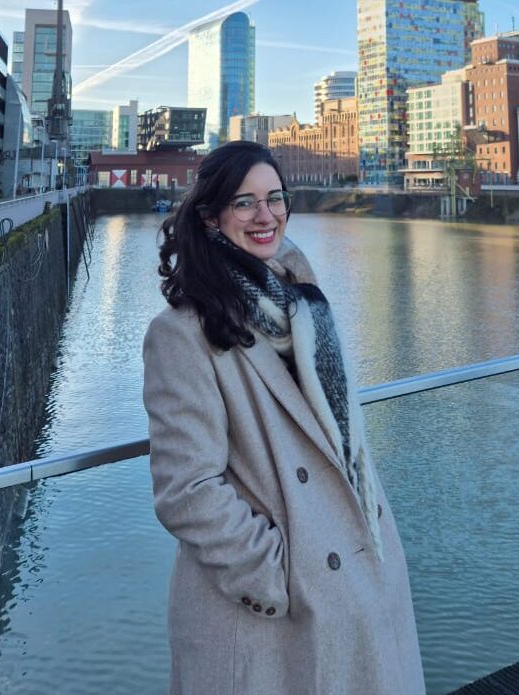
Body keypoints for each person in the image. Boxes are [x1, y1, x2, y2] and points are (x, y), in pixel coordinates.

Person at [143, 141, 425, 695]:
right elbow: (187, 490)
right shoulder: (180, 335)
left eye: (275, 199)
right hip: (269, 619)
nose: (265, 215)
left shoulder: (305, 307)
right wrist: (281, 576)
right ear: (211, 217)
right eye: (245, 202)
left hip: (359, 576)